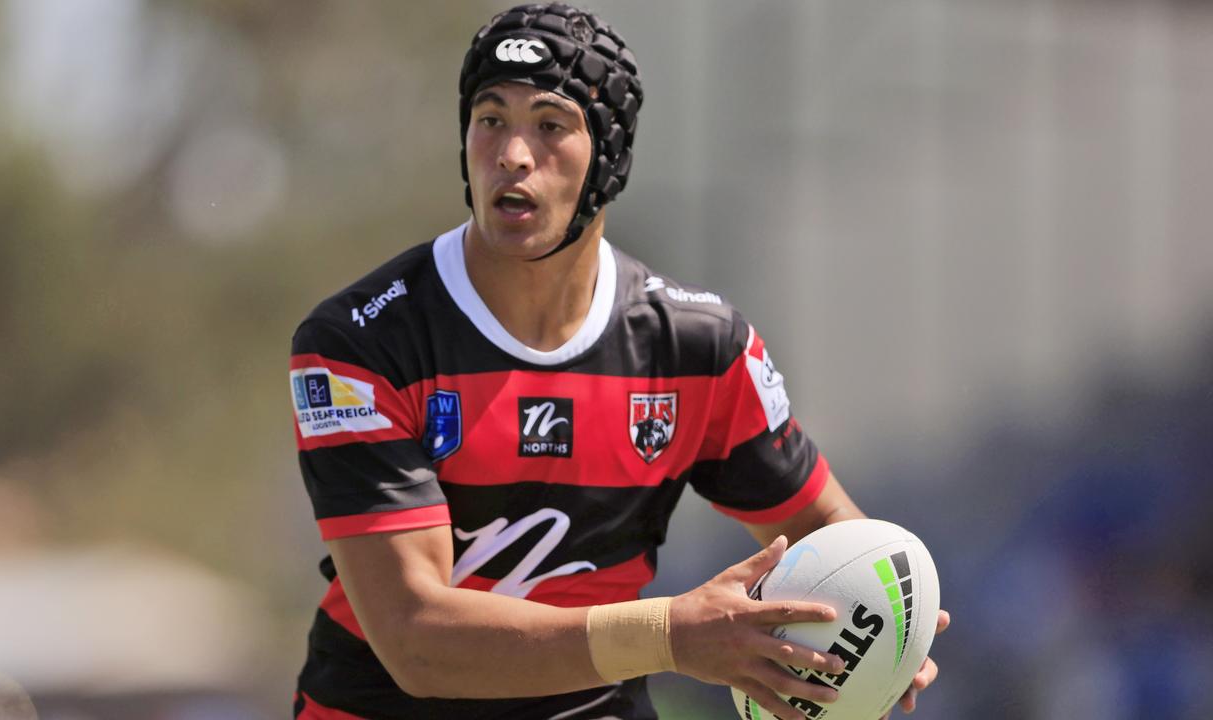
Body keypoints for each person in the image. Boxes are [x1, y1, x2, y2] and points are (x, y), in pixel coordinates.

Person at [288, 4, 948, 719]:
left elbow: (830, 537)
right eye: (490, 119)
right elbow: (417, 641)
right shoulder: (361, 342)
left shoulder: (697, 349)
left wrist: (879, 627)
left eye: (549, 124)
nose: (512, 153)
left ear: (609, 154)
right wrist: (672, 635)